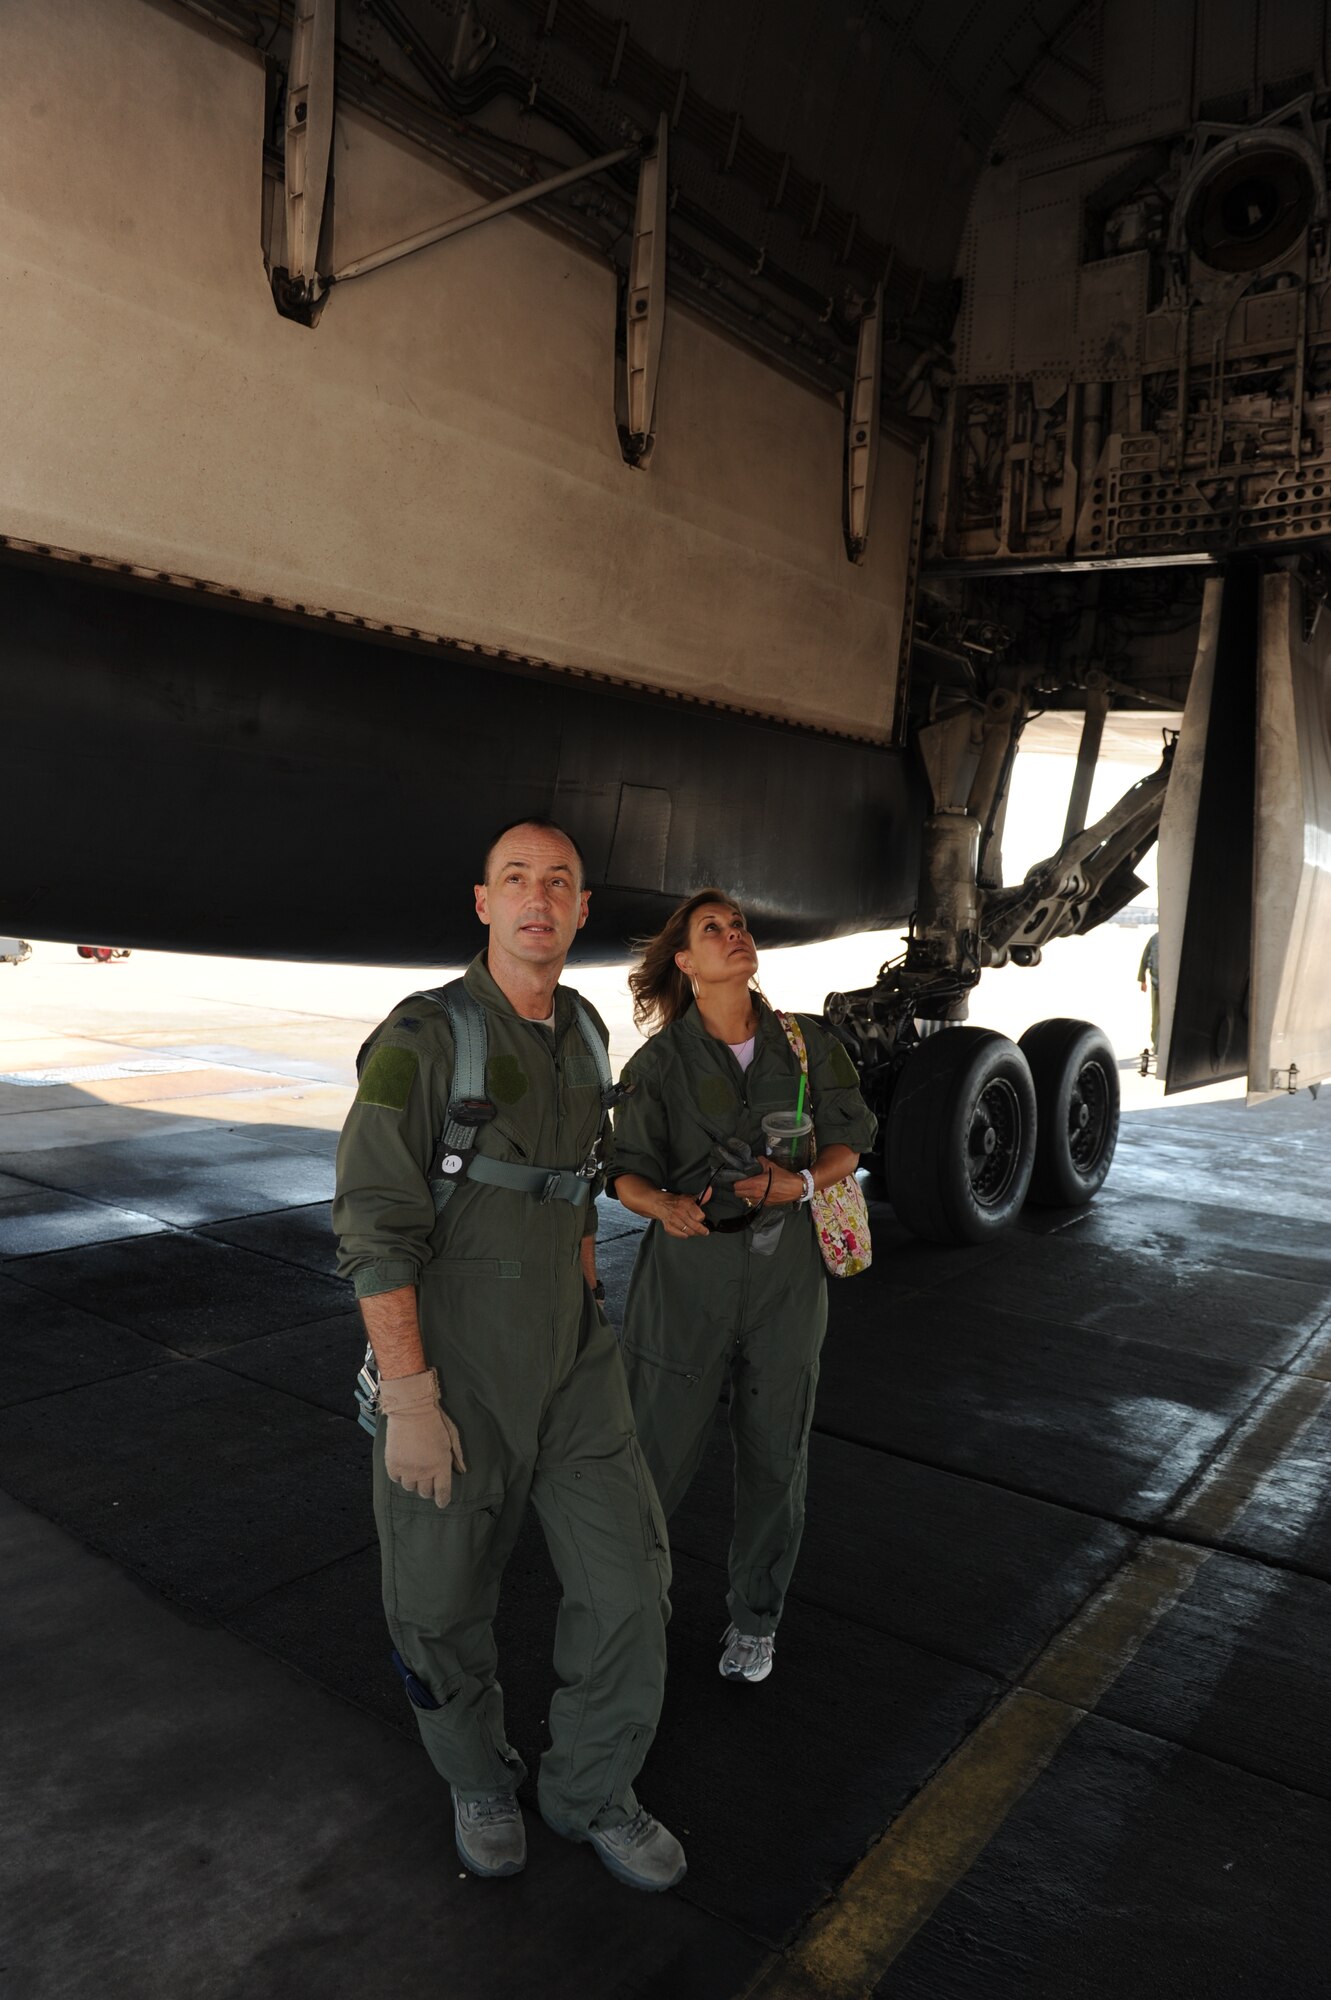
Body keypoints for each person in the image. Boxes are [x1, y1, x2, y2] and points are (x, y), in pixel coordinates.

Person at [332, 820, 683, 1892]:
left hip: (572, 1362)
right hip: (454, 1369)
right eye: (516, 879)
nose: (540, 897)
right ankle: (478, 1774)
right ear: (482, 902)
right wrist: (410, 1395)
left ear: (581, 912)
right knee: (438, 1606)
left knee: (629, 1588)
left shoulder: (582, 1032)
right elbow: (374, 1228)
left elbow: (576, 1183)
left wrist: (583, 1302)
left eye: (561, 883)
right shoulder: (421, 1038)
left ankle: (589, 1790)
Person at [611, 890, 876, 1685]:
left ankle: (755, 1619)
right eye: (712, 930)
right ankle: (627, 1617)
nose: (735, 936)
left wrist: (798, 1186)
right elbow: (624, 1169)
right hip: (684, 1283)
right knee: (651, 1462)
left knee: (774, 1459)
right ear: (685, 964)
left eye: (738, 924)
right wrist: (658, 1203)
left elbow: (849, 1139)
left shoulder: (807, 1044)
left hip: (783, 1281)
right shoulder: (658, 1065)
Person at [1138, 929, 1159, 1052]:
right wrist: (1143, 980)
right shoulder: (1155, 939)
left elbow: (1144, 959)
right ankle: (1156, 1043)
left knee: (1157, 1016)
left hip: (1159, 984)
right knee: (1157, 1016)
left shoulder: (1155, 938)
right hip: (1158, 984)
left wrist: (1143, 980)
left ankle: (1158, 1044)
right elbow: (1145, 959)